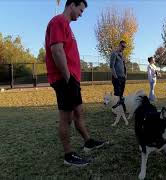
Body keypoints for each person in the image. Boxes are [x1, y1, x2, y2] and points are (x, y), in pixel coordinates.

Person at [45, 0, 106, 167]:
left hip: (71, 79)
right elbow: (56, 50)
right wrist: (68, 78)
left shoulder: (66, 25)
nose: (81, 14)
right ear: (72, 4)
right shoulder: (58, 21)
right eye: (81, 10)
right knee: (67, 118)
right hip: (64, 79)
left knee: (79, 112)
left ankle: (88, 142)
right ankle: (68, 155)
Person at [110, 40, 127, 111]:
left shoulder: (122, 55)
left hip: (123, 78)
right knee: (117, 94)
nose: (123, 48)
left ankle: (120, 109)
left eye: (125, 47)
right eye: (122, 46)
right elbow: (112, 66)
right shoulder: (114, 54)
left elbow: (124, 66)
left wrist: (125, 75)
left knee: (121, 95)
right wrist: (116, 76)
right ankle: (115, 110)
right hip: (117, 78)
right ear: (119, 45)